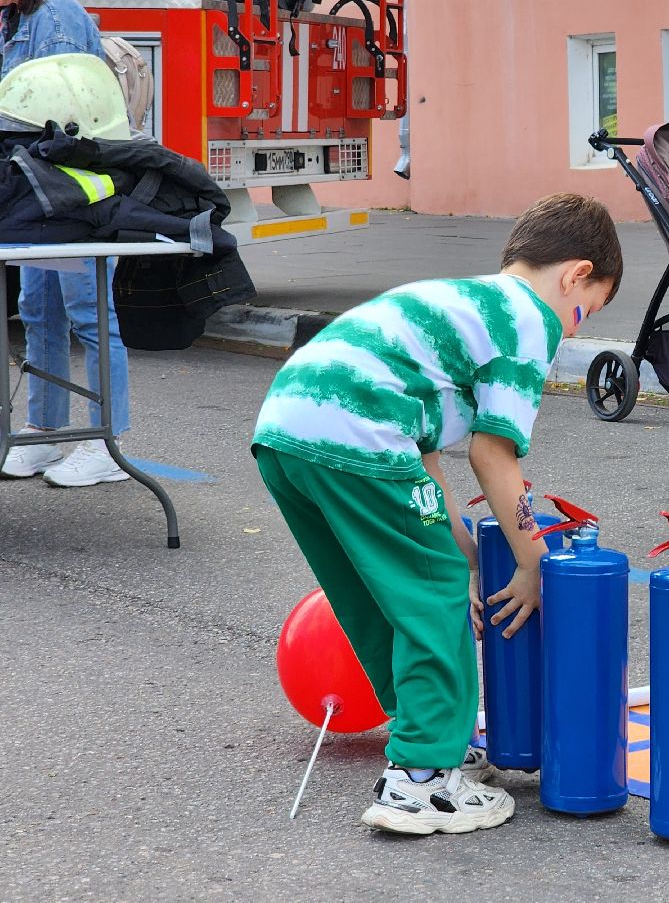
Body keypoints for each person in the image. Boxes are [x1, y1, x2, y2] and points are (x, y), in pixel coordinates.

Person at [251, 193, 622, 836]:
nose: (574, 328)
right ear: (575, 275)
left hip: (287, 431)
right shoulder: (528, 320)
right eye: (584, 311)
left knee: (379, 594)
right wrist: (533, 560)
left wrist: (464, 549)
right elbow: (492, 452)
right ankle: (421, 781)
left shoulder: (462, 301)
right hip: (362, 434)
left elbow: (425, 456)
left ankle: (430, 737)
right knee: (434, 597)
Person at [0, 0, 131, 487]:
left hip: (74, 192)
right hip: (40, 192)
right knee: (39, 311)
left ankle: (106, 445)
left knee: (90, 315)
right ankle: (45, 433)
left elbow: (62, 121)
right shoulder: (15, 15)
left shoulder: (55, 19)